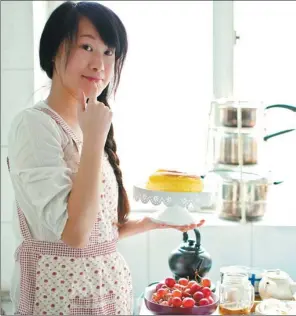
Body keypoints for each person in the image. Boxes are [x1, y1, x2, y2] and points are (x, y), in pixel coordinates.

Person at [7, 1, 205, 315]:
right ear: (54, 50)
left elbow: (94, 228)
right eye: (87, 46)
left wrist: (147, 223)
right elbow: (74, 235)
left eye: (109, 52)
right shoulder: (35, 126)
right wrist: (95, 137)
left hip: (104, 294)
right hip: (56, 299)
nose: (100, 64)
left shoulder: (87, 125)